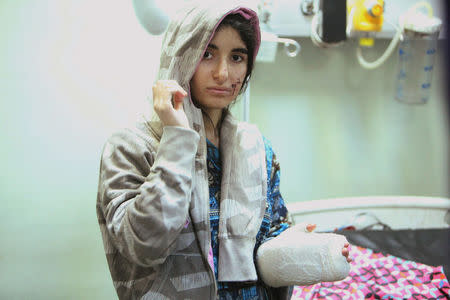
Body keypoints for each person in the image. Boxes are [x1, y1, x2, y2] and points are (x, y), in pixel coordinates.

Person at [96, 2, 351, 299]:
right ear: (182, 57)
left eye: (237, 57)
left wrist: (298, 246)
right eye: (207, 54)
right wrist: (178, 139)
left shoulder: (257, 149)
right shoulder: (132, 148)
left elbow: (268, 238)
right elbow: (143, 246)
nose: (223, 73)